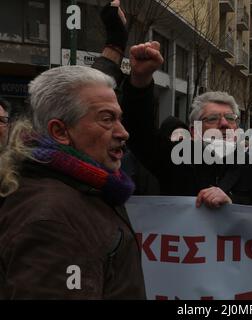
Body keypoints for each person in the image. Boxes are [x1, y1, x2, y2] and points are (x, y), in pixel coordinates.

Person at [93, 2, 252, 208]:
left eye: (230, 118)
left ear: (237, 127)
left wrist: (234, 204)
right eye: (212, 118)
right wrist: (141, 79)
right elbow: (139, 132)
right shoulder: (176, 161)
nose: (224, 124)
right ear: (194, 131)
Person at [0, 66, 146, 299]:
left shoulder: (87, 188)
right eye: (107, 119)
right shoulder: (53, 219)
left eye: (119, 118)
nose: (123, 132)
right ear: (60, 131)